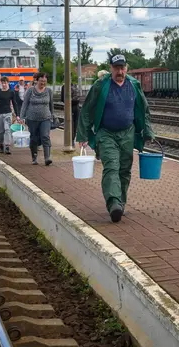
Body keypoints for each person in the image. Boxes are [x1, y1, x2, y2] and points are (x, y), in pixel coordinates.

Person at [77, 54, 154, 223]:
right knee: (112, 166)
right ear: (111, 68)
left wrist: (147, 131)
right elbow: (87, 109)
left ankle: (121, 202)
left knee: (125, 170)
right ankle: (113, 203)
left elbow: (144, 110)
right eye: (117, 68)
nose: (120, 71)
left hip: (128, 133)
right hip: (106, 133)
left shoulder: (134, 85)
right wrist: (82, 134)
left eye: (122, 67)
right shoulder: (101, 85)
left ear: (126, 68)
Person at [20, 72, 54, 165]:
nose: (43, 83)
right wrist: (22, 117)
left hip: (45, 118)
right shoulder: (30, 90)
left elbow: (51, 105)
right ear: (37, 80)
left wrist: (52, 116)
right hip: (32, 118)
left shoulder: (49, 91)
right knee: (34, 138)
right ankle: (34, 158)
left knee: (45, 136)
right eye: (41, 81)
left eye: (45, 81)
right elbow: (25, 104)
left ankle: (47, 158)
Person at [0, 76, 20, 154]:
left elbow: (14, 103)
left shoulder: (11, 92)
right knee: (0, 131)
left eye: (5, 83)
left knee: (7, 129)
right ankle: (1, 145)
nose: (4, 84)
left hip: (8, 113)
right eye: (2, 83)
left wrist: (17, 115)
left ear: (8, 83)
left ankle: (7, 146)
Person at [61, 81, 81, 147]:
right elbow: (63, 98)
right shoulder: (73, 86)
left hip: (73, 107)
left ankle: (72, 140)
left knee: (74, 124)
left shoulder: (65, 86)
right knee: (72, 124)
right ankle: (71, 140)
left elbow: (62, 99)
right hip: (73, 107)